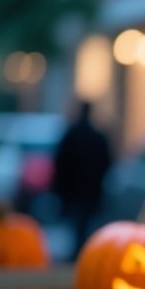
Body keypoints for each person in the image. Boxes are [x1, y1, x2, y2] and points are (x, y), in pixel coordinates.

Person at [52, 101, 112, 247]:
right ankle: (81, 248)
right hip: (90, 188)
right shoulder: (97, 137)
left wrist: (60, 187)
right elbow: (107, 162)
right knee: (84, 222)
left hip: (74, 189)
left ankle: (79, 248)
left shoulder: (71, 134)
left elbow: (60, 162)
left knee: (77, 221)